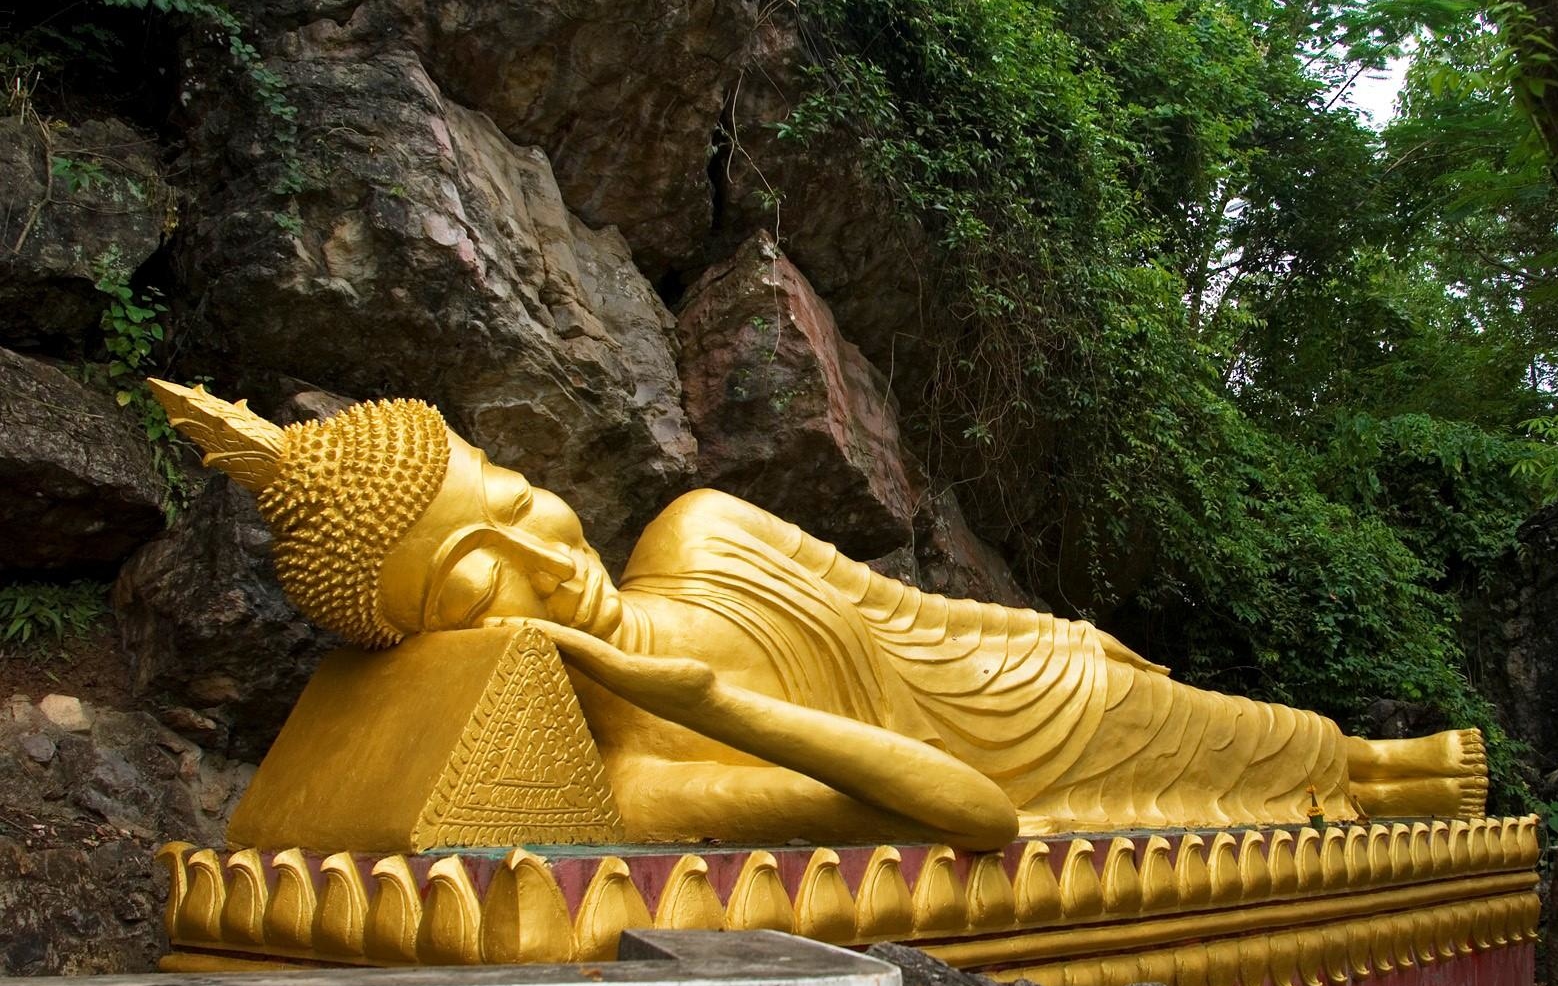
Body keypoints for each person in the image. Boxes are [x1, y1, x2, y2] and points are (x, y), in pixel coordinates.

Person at [151, 380, 1488, 850]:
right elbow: (972, 815)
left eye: (510, 494)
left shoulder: (696, 531)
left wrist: (1060, 640)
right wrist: (713, 708)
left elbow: (908, 609)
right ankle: (1371, 782)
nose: (542, 556)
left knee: (1190, 716)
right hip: (995, 767)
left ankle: (1369, 770)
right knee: (1183, 774)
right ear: (444, 650)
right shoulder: (641, 773)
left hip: (1021, 683)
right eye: (475, 582)